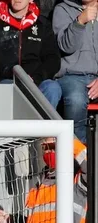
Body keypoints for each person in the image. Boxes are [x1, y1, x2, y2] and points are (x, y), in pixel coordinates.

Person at [0, 0, 61, 109]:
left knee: (52, 88)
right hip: (7, 79)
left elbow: (53, 59)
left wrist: (35, 78)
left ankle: (41, 125)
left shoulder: (42, 24)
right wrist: (16, 76)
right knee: (6, 87)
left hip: (35, 80)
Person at [54, 0, 98, 140]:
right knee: (76, 100)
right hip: (71, 76)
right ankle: (78, 157)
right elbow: (66, 46)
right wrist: (80, 21)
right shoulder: (62, 9)